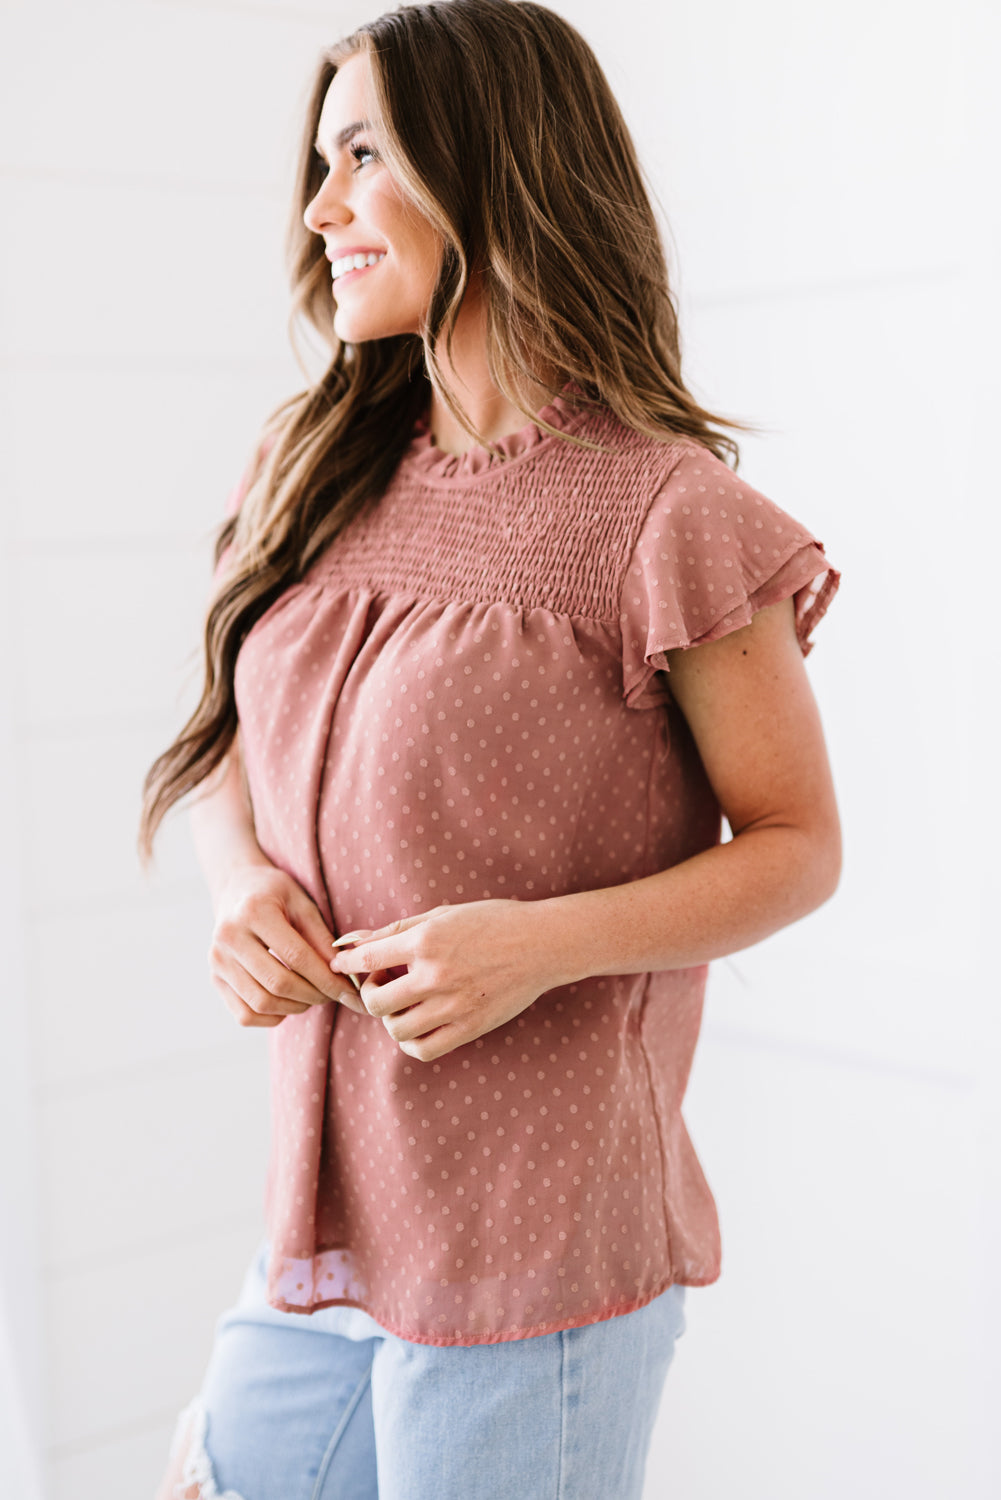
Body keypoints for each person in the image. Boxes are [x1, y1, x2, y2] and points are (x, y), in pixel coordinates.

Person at [140, 2, 842, 1496]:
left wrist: (532, 947)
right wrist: (236, 882)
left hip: (536, 1243)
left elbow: (797, 849)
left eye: (363, 155)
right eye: (318, 163)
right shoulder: (309, 462)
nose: (320, 207)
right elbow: (223, 738)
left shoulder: (666, 516)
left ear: (494, 166)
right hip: (323, 1218)